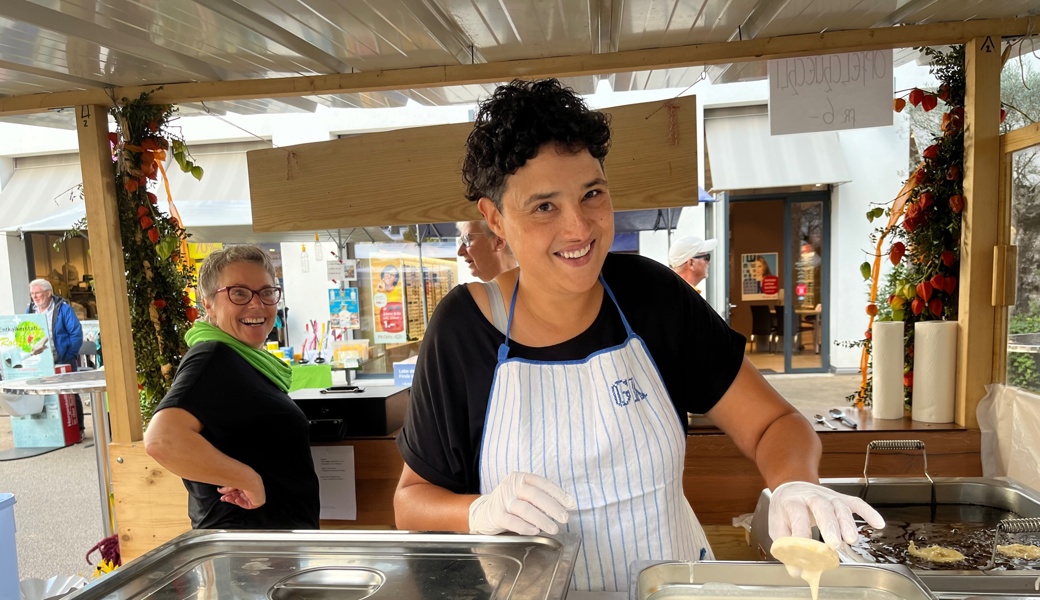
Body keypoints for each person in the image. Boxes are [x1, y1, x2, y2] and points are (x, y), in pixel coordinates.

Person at [393, 79, 883, 592]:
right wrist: (479, 511)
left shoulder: (652, 296)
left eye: (592, 194)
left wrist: (794, 484)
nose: (579, 227)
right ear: (495, 218)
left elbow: (774, 423)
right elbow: (410, 502)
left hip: (672, 589)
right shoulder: (463, 329)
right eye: (544, 207)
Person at [144, 245, 319, 530]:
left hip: (268, 549)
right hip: (246, 554)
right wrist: (248, 479)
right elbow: (162, 440)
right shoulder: (213, 357)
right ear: (208, 304)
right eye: (238, 293)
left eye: (266, 292)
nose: (257, 304)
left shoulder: (246, 361)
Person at [26, 278, 84, 436]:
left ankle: (78, 428)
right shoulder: (31, 310)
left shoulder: (63, 309)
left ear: (48, 293)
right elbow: (26, 332)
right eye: (32, 294)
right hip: (41, 360)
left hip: (63, 358)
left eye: (38, 293)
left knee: (70, 393)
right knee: (44, 394)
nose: (35, 297)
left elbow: (76, 333)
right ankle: (53, 431)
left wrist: (69, 354)